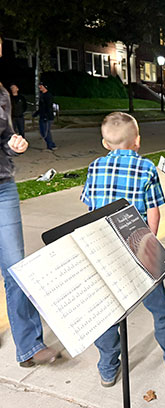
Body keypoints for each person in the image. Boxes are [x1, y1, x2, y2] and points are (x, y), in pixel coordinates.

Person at [80, 112, 165, 390]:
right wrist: (149, 244)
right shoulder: (145, 168)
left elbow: (90, 209)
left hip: (105, 249)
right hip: (138, 246)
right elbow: (153, 214)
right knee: (161, 312)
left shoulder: (95, 167)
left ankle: (108, 368)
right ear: (137, 141)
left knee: (107, 313)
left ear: (105, 143)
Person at [0, 37, 60, 367]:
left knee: (16, 268)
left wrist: (14, 144)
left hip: (3, 187)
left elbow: (4, 139)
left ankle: (29, 346)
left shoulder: (1, 94)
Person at [32, 82, 57, 151]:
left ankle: (51, 145)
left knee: (46, 131)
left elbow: (49, 107)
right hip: (42, 116)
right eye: (39, 86)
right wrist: (36, 113)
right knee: (42, 131)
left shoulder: (48, 95)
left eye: (41, 86)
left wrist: (47, 116)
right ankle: (50, 144)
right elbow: (41, 107)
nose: (40, 87)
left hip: (47, 117)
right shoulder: (42, 95)